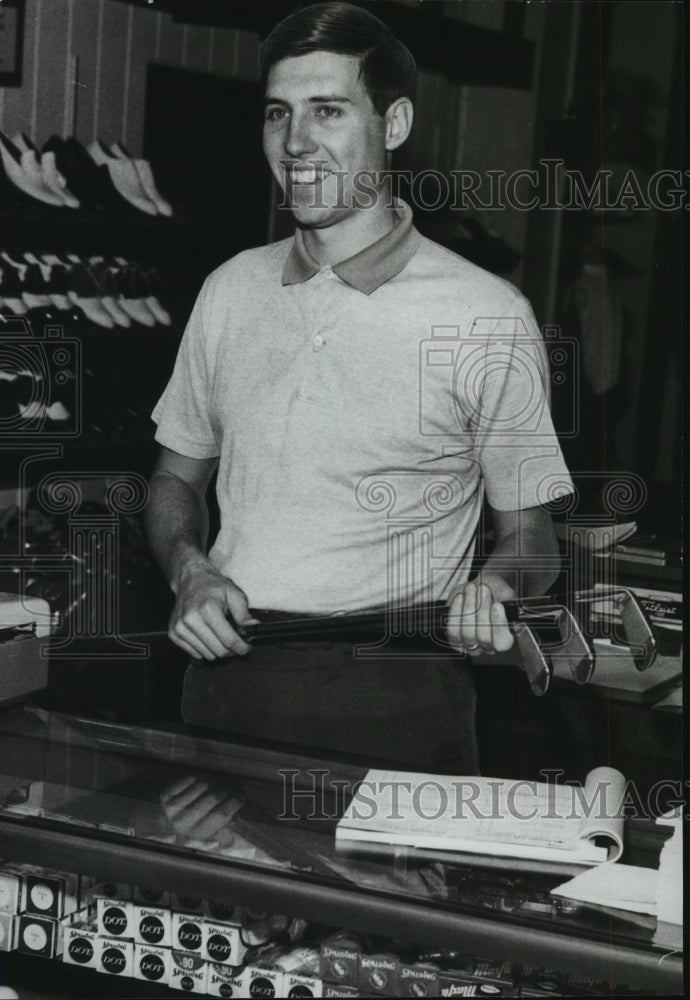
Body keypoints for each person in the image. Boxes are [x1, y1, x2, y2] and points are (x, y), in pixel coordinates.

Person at [146, 2, 572, 772]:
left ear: (395, 123)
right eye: (279, 113)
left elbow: (531, 538)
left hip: (395, 696)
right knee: (205, 895)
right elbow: (175, 480)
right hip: (221, 681)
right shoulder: (230, 289)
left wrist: (497, 588)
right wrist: (191, 569)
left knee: (381, 900)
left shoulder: (486, 315)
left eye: (329, 111)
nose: (297, 142)